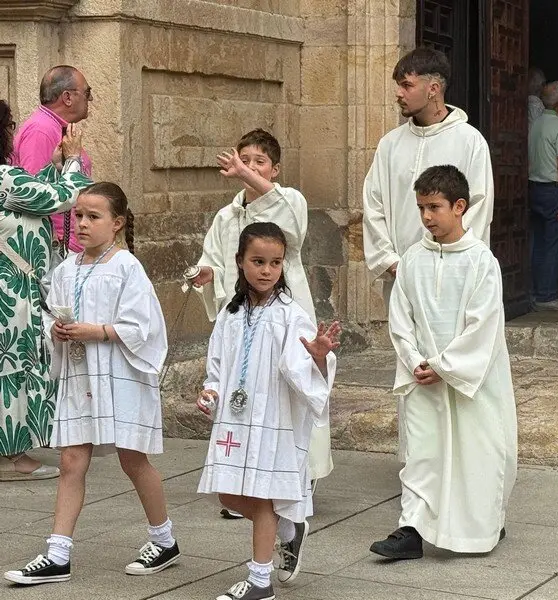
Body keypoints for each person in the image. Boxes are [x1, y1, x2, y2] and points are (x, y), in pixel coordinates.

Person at [4, 183, 179, 585]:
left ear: (116, 224)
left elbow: (143, 327)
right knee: (70, 460)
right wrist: (57, 330)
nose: (81, 224)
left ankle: (164, 539)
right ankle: (58, 553)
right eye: (78, 215)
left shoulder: (127, 267)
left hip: (122, 375)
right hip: (81, 375)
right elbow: (49, 313)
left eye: (93, 217)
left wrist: (96, 331)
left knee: (132, 459)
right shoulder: (65, 269)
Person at [370, 165, 517, 559]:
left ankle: (483, 525)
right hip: (421, 377)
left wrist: (446, 366)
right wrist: (416, 360)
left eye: (434, 207)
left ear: (459, 206)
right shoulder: (413, 260)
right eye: (420, 208)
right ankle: (412, 530)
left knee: (478, 452)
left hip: (471, 381)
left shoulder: (482, 262)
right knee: (422, 452)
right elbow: (400, 317)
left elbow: (483, 325)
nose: (426, 217)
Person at [196, 222, 340, 600]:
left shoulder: (291, 315)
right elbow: (217, 364)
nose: (266, 270)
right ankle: (291, 530)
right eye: (258, 261)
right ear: (239, 262)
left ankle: (260, 581)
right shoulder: (230, 313)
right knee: (226, 495)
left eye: (275, 263)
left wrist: (320, 359)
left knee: (263, 499)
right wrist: (211, 391)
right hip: (234, 418)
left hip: (272, 418)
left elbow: (305, 371)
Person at [362, 47, 494, 459]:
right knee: (412, 363)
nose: (398, 94)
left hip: (453, 279)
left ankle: (462, 461)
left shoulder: (469, 142)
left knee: (452, 363)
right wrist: (391, 262)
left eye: (407, 85)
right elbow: (374, 204)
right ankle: (417, 461)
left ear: (433, 88)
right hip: (403, 275)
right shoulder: (389, 144)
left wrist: (454, 264)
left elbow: (478, 204)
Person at [187, 129, 333, 497]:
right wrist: (209, 274)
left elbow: (293, 231)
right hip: (243, 316)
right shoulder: (226, 215)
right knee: (246, 388)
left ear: (275, 170)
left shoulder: (291, 200)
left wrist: (242, 172)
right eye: (243, 159)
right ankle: (242, 476)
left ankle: (302, 472)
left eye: (258, 162)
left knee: (292, 386)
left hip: (285, 312)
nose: (248, 167)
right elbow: (217, 259)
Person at [0, 103, 90, 481]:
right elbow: (64, 197)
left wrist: (53, 166)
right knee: (12, 369)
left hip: (13, 285)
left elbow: (34, 194)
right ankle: (8, 457)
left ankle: (13, 451)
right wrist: (71, 162)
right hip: (10, 293)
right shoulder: (3, 178)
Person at [13, 65, 93, 253]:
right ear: (67, 98)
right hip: (58, 248)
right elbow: (35, 194)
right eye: (87, 92)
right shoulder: (41, 131)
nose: (90, 98)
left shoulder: (52, 127)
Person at [529, 81, 558, 311]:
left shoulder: (535, 124)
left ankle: (535, 292)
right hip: (551, 189)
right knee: (553, 243)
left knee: (537, 242)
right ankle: (547, 295)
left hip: (532, 187)